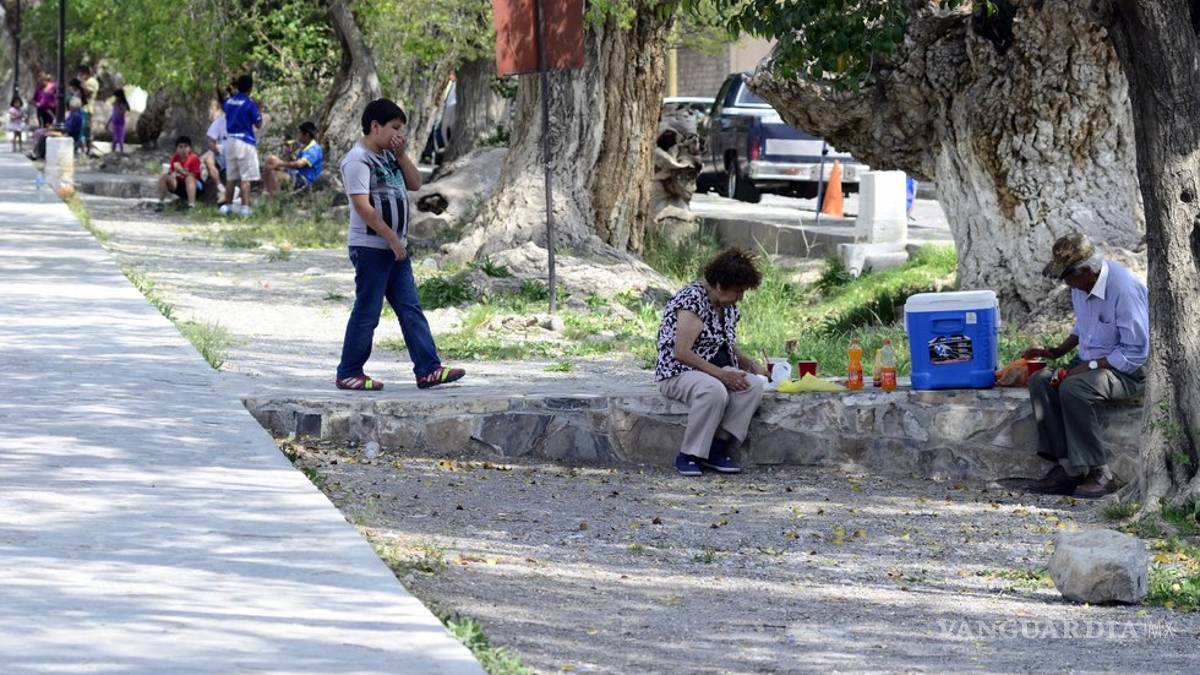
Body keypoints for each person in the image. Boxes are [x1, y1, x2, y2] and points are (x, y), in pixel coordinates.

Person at [335, 98, 465, 391]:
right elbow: (363, 207)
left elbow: (416, 183)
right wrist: (391, 238)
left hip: (395, 248)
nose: (398, 135)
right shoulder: (358, 159)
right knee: (368, 311)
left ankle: (429, 369)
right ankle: (349, 371)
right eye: (394, 128)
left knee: (410, 308)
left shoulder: (388, 156)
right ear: (375, 126)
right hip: (371, 247)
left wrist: (403, 154)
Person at [1022, 233, 1149, 498]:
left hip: (1128, 371)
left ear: (1088, 272)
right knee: (1041, 380)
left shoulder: (1123, 291)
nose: (1066, 285)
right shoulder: (1082, 285)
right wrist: (1056, 352)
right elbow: (1084, 327)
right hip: (1092, 362)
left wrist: (1090, 366)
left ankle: (1100, 473)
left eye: (1067, 278)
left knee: (1073, 387)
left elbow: (1136, 352)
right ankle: (1066, 468)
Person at [655, 247, 766, 476]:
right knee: (714, 390)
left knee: (752, 385)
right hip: (678, 371)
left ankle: (717, 448)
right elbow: (682, 352)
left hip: (709, 369)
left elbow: (723, 343)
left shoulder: (726, 306)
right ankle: (689, 454)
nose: (740, 297)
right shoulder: (692, 300)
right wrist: (722, 375)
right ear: (719, 285)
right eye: (737, 291)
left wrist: (750, 365)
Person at [219, 75, 262, 217]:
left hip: (230, 141)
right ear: (251, 88)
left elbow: (226, 112)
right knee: (245, 177)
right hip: (245, 141)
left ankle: (227, 206)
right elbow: (258, 124)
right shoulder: (250, 104)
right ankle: (245, 208)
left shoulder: (229, 102)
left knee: (231, 177)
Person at [263, 121, 324, 198]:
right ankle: (266, 191)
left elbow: (299, 164)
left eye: (300, 133)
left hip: (304, 179)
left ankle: (272, 199)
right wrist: (288, 153)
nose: (299, 136)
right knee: (271, 159)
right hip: (295, 174)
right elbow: (294, 163)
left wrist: (279, 163)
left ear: (307, 135)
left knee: (273, 173)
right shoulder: (305, 148)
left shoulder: (314, 149)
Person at [156, 136, 203, 209]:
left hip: (195, 187)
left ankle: (191, 205)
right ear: (177, 149)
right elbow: (172, 174)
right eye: (180, 147)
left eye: (186, 146)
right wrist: (169, 173)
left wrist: (181, 170)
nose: (183, 149)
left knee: (189, 178)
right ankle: (160, 203)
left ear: (190, 148)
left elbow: (194, 176)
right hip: (180, 185)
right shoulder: (175, 158)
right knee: (164, 177)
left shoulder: (193, 158)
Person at [201, 91, 229, 201]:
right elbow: (211, 141)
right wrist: (215, 148)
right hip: (222, 154)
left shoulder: (241, 121)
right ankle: (220, 186)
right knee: (208, 157)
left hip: (237, 153)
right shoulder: (219, 122)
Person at [78, 65, 100, 155]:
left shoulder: (92, 82)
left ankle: (88, 149)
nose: (79, 75)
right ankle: (82, 148)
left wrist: (82, 83)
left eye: (81, 74)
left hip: (88, 109)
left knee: (86, 129)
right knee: (81, 129)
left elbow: (89, 92)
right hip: (81, 108)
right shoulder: (85, 81)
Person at [107, 89, 129, 155]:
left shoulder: (123, 104)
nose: (116, 98)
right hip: (115, 122)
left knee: (120, 138)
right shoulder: (115, 103)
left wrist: (118, 107)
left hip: (120, 122)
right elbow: (113, 114)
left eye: (117, 97)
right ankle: (112, 152)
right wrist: (108, 123)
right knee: (114, 139)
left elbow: (122, 112)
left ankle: (121, 151)